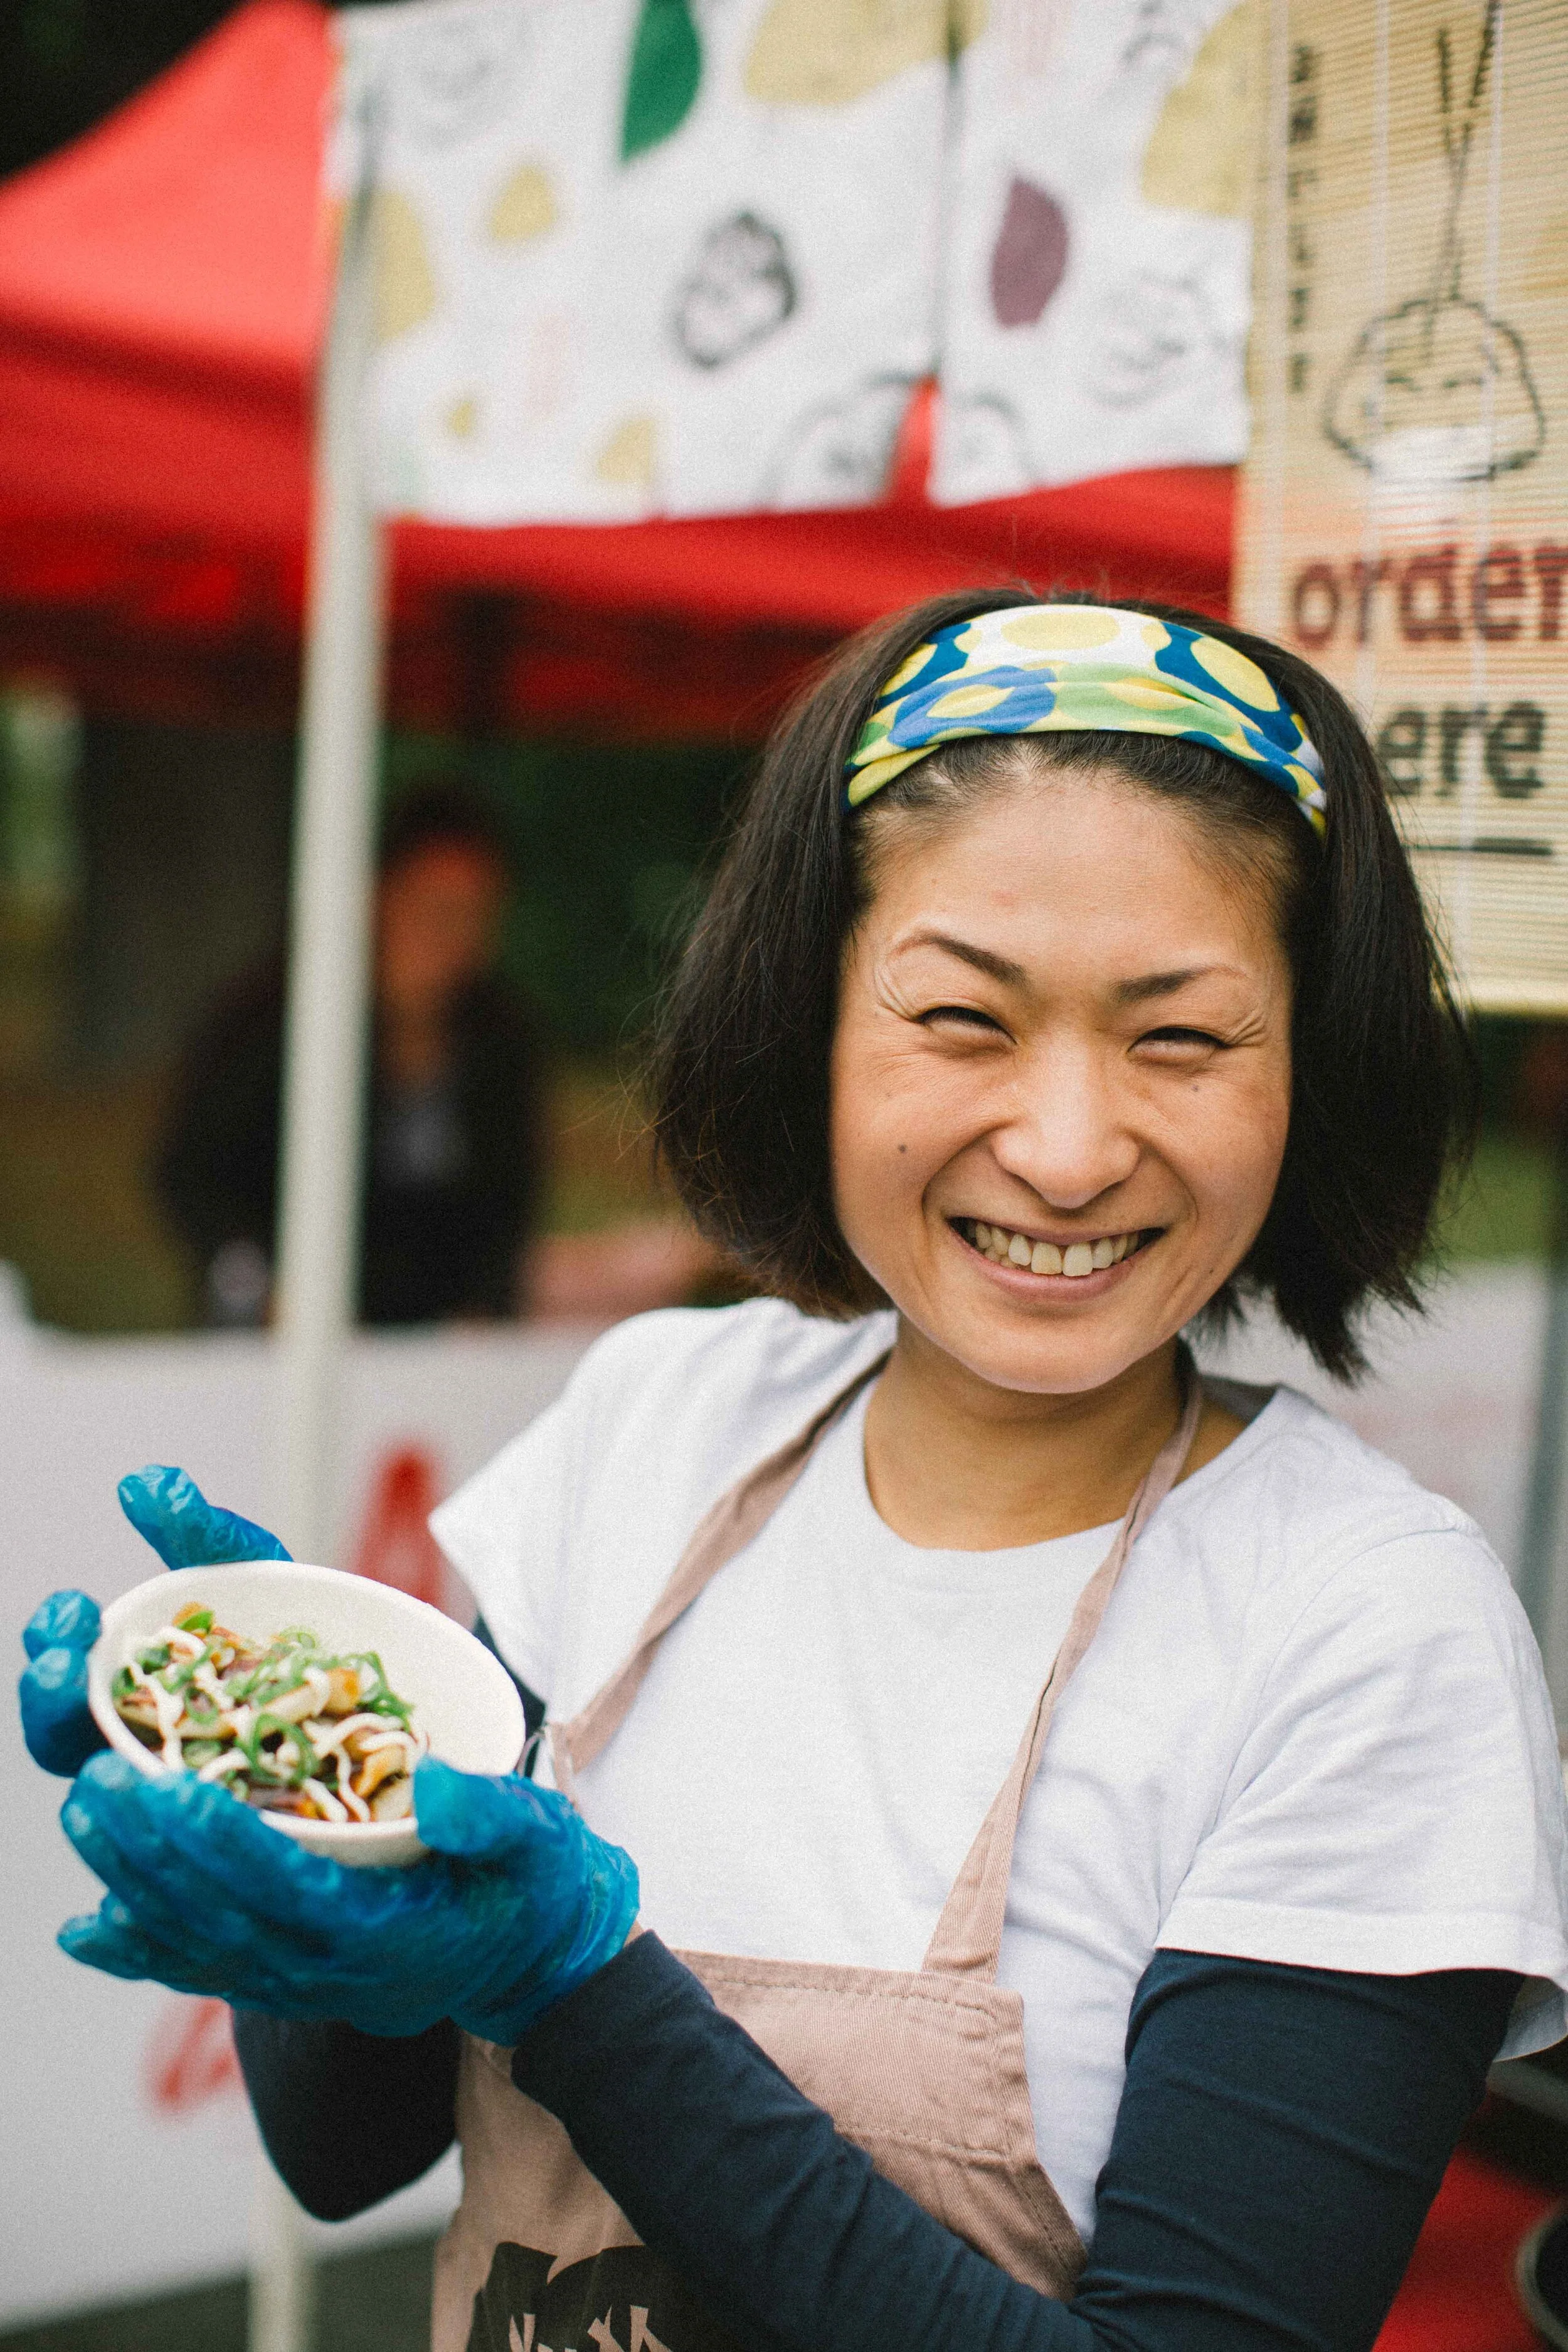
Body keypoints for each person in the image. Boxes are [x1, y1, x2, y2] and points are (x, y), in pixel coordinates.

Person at [22, 591, 1568, 2352]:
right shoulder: (658, 1420)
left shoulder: (1366, 1635)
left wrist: (579, 1989)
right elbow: (339, 2141)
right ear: (809, 1023)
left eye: (1179, 1035)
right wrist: (287, 1774)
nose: (1063, 1149)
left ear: (1307, 1070)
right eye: (961, 1020)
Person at [157, 784, 546, 1327]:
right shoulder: (273, 1021)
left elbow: (510, 1205)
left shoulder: (499, 1038)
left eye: (477, 915)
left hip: (444, 1340)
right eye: (439, 911)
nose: (458, 938)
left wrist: (487, 1302)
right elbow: (195, 1176)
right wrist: (256, 1286)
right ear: (377, 898)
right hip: (289, 1331)